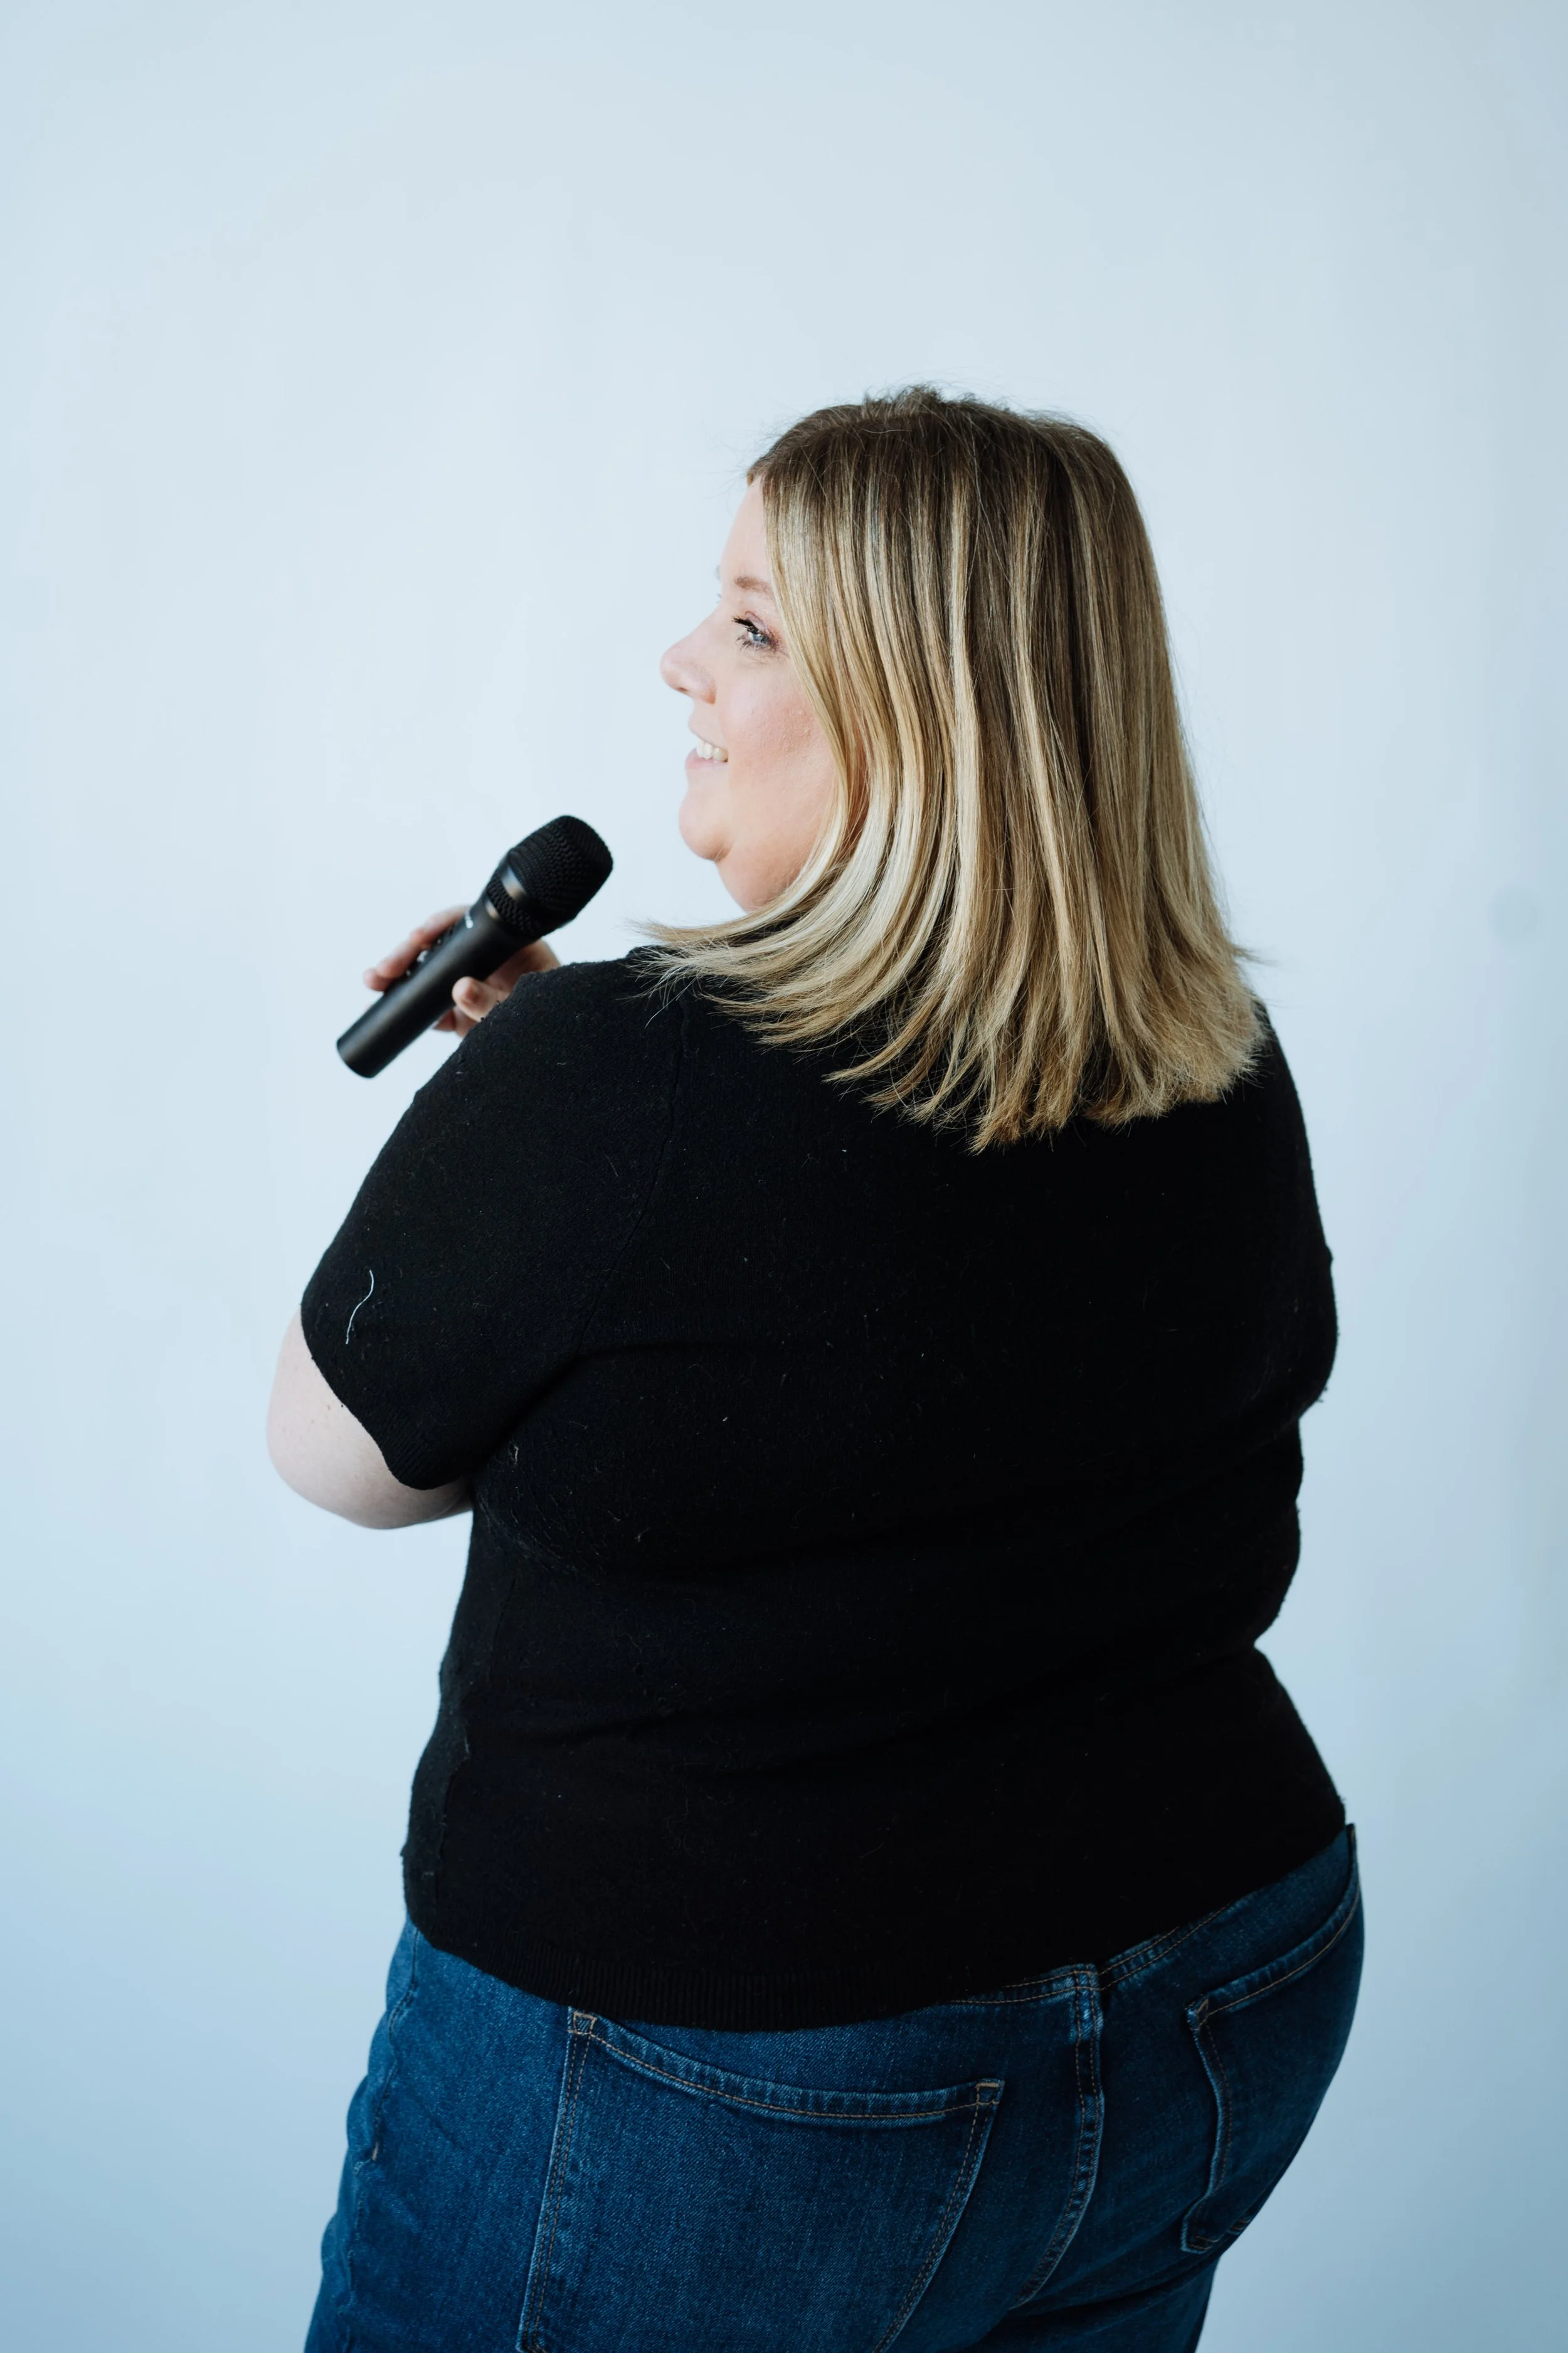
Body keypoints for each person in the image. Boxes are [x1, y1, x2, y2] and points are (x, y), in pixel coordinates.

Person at [268, 390, 1361, 2353]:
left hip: (736, 2073)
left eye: (755, 623)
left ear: (924, 701)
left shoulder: (617, 1076)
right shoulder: (1211, 1051)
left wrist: (522, 1122)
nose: (683, 660)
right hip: (1221, 1984)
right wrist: (537, 1135)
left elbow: (345, 1457)